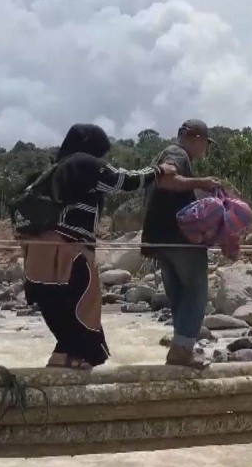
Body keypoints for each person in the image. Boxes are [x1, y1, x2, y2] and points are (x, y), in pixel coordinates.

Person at [18, 124, 172, 370]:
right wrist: (157, 172)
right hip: (68, 251)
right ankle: (74, 360)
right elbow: (124, 180)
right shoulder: (83, 163)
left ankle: (63, 357)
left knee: (60, 309)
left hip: (36, 254)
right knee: (84, 305)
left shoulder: (51, 171)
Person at [141, 119, 222, 368]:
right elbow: (167, 179)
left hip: (159, 239)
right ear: (196, 138)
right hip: (179, 238)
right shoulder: (176, 154)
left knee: (178, 293)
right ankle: (183, 348)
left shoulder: (164, 154)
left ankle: (181, 347)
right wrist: (201, 183)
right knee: (196, 290)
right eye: (206, 143)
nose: (205, 149)